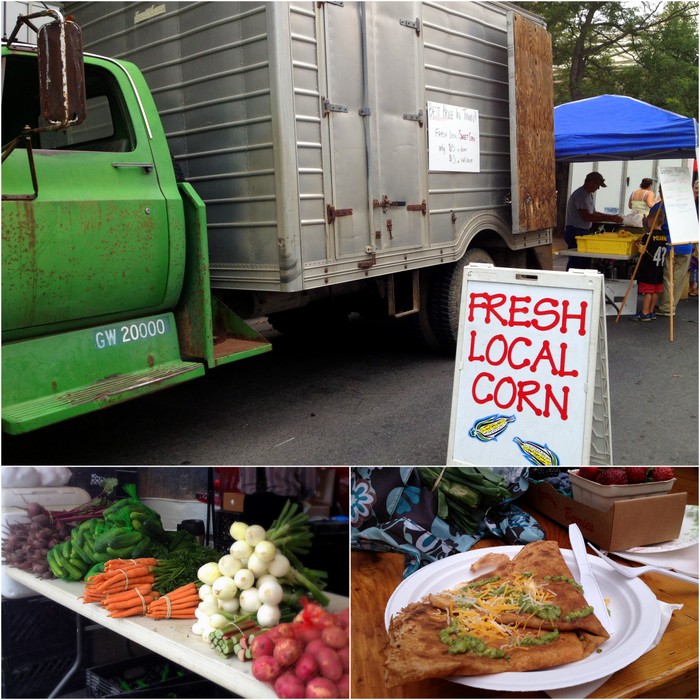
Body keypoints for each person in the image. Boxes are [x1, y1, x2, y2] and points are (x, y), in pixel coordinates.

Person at [564, 171, 624, 270]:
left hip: (582, 230)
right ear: (591, 182)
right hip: (575, 231)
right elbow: (587, 216)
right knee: (576, 261)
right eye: (598, 185)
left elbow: (594, 213)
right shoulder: (581, 195)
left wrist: (612, 217)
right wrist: (611, 218)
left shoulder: (588, 195)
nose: (598, 188)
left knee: (583, 261)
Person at [650, 191, 694, 316]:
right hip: (687, 244)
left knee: (667, 277)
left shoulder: (659, 207)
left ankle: (666, 307)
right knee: (678, 278)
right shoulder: (687, 206)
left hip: (668, 245)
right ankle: (671, 305)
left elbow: (651, 224)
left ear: (660, 192)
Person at [238, 467, 318, 529]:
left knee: (251, 546)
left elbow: (241, 475)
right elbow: (309, 484)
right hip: (284, 504)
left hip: (252, 503)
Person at [631, 207, 668, 321]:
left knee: (647, 291)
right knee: (655, 291)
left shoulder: (648, 236)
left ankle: (645, 312)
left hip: (649, 268)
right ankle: (651, 311)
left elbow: (643, 250)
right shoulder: (664, 236)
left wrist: (637, 245)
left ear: (651, 221)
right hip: (659, 268)